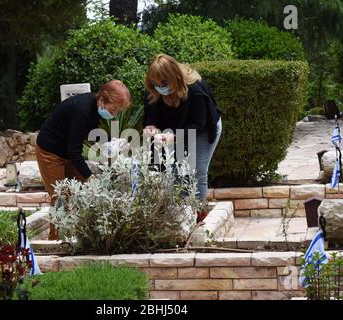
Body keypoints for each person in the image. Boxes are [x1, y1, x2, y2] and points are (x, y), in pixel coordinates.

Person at [36, 80, 132, 239]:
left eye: (118, 112)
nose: (114, 115)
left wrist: (110, 140)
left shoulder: (93, 107)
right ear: (102, 100)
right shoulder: (82, 110)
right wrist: (89, 175)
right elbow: (74, 151)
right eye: (113, 110)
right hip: (50, 152)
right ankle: (56, 241)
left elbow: (88, 131)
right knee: (60, 197)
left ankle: (85, 236)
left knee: (86, 191)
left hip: (67, 151)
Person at [143, 54, 222, 221]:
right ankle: (180, 215)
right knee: (175, 171)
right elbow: (151, 115)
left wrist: (174, 138)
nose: (159, 87)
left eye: (163, 84)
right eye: (155, 84)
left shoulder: (195, 90)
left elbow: (198, 124)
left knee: (197, 171)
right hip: (174, 131)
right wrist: (151, 127)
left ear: (175, 78)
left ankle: (197, 214)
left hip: (202, 129)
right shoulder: (153, 90)